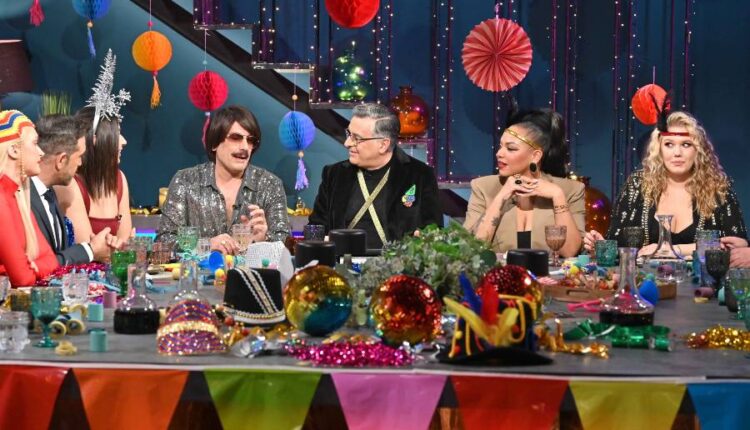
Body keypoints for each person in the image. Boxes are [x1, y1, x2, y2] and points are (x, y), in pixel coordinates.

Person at [583, 111, 747, 256]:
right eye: (669, 144)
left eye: (686, 144)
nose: (677, 153)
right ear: (659, 150)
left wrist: (671, 250)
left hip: (701, 280)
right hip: (645, 279)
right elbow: (619, 245)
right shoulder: (637, 185)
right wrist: (602, 247)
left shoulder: (719, 189)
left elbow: (736, 246)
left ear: (698, 150)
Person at [158, 105, 290, 255]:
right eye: (236, 138)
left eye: (250, 140)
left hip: (250, 271)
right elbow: (164, 241)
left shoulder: (270, 185)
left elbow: (285, 246)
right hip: (198, 271)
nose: (245, 147)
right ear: (214, 143)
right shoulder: (186, 181)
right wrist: (205, 245)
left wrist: (263, 240)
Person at [308, 103, 442, 249]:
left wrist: (422, 240)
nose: (347, 143)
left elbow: (433, 232)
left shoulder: (420, 175)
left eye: (357, 138)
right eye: (349, 134)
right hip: (342, 261)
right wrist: (322, 241)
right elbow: (316, 228)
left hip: (396, 262)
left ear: (383, 145)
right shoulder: (334, 174)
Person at [464, 108, 585, 256]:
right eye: (501, 146)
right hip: (501, 271)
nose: (499, 154)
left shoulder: (571, 190)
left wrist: (558, 196)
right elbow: (472, 249)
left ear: (535, 156)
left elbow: (569, 252)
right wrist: (500, 197)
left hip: (549, 271)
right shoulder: (483, 187)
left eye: (511, 148)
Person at [31, 115, 121, 265]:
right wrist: (90, 250)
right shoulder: (22, 199)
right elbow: (36, 265)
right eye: (79, 156)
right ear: (61, 160)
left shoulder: (48, 193)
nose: (80, 163)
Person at [56, 107, 133, 245]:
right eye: (117, 134)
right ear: (96, 140)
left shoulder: (119, 178)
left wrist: (120, 246)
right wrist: (117, 247)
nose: (124, 141)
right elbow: (88, 248)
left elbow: (125, 241)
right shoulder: (71, 184)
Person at [0, 110, 58, 286]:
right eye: (35, 143)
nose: (41, 152)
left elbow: (52, 259)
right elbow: (23, 279)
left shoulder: (18, 197)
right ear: (14, 150)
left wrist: (34, 268)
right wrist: (34, 269)